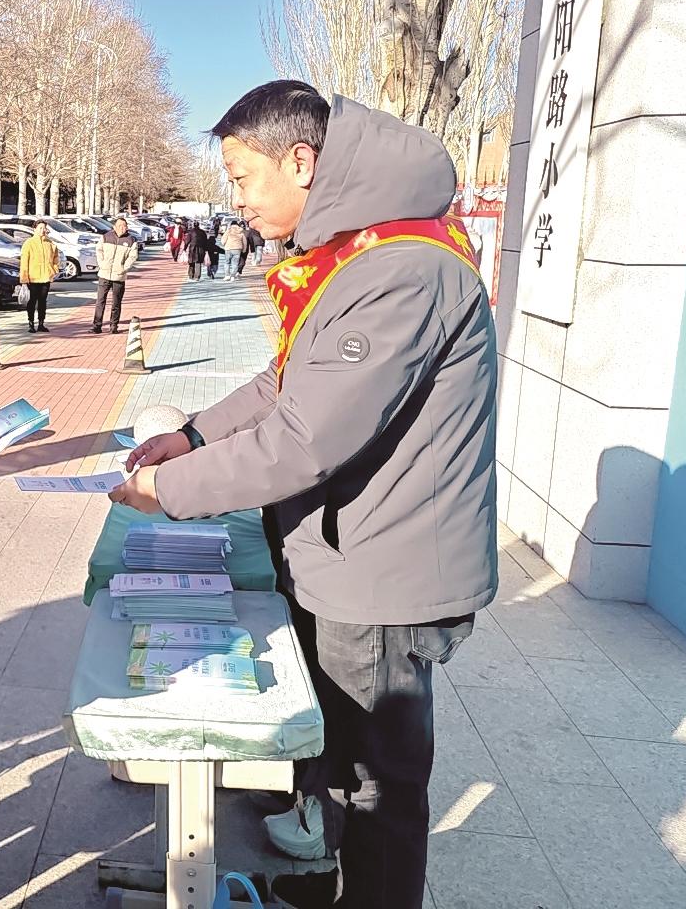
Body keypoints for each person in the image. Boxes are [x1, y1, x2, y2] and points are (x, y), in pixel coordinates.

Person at [112, 81, 498, 909]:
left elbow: (305, 439)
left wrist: (169, 488)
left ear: (301, 162)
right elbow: (283, 381)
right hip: (346, 552)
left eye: (242, 178)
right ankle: (324, 881)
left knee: (375, 782)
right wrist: (193, 438)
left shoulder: (401, 269)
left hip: (382, 574)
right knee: (334, 758)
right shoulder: (356, 254)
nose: (238, 200)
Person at [92, 216, 140, 334]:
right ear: (114, 227)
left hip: (119, 276)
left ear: (127, 227)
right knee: (100, 301)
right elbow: (99, 250)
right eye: (119, 226)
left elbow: (133, 256)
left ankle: (114, 326)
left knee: (116, 302)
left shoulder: (131, 240)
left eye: (124, 226)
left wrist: (124, 268)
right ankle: (97, 326)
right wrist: (101, 263)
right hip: (104, 274)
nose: (121, 228)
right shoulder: (106, 237)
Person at [19, 220, 60, 332]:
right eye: (40, 228)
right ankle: (31, 323)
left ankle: (41, 323)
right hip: (33, 278)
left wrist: (54, 269)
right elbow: (24, 262)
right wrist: (24, 278)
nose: (42, 230)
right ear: (35, 229)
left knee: (42, 301)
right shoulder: (29, 243)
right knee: (32, 301)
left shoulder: (50, 243)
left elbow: (56, 258)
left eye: (44, 228)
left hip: (46, 277)